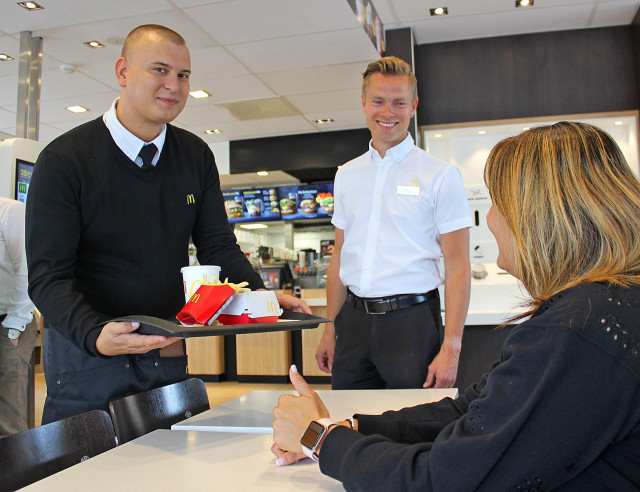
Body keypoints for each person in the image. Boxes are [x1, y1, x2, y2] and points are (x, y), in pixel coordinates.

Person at [272, 122, 640, 490]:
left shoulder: (577, 330)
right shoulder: (598, 310)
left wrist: (320, 440)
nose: (490, 218)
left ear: (533, 217)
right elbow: (472, 412)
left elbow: (443, 478)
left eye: (497, 202)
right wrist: (350, 429)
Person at [25, 24, 309, 424]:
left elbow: (218, 247)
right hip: (89, 352)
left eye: (183, 75)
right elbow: (47, 277)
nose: (173, 86)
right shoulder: (64, 161)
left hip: (166, 350)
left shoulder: (194, 155)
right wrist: (94, 335)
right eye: (159, 70)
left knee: (177, 466)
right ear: (123, 71)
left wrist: (259, 299)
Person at [315, 56, 471, 389]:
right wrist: (330, 327)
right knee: (349, 422)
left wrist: (452, 346)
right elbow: (339, 256)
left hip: (411, 324)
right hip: (352, 324)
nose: (388, 112)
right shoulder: (347, 174)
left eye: (399, 102)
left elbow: (458, 265)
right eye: (378, 101)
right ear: (363, 103)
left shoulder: (441, 175)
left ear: (413, 106)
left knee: (412, 427)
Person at [0, 197, 36, 437]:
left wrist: (14, 327)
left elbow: (28, 271)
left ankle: (17, 474)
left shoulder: (11, 211)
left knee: (8, 419)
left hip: (9, 324)